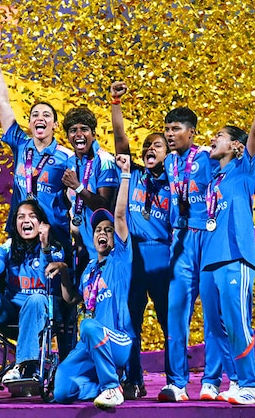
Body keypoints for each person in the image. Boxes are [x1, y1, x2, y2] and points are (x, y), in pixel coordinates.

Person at [200, 65, 255, 405]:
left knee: (237, 321)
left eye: (217, 136)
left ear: (233, 144)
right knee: (219, 329)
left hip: (236, 257)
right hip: (211, 261)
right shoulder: (213, 178)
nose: (210, 140)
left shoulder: (243, 170)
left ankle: (251, 384)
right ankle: (235, 382)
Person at [158, 107, 231, 402]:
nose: (169, 134)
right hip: (181, 241)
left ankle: (211, 381)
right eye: (167, 129)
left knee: (213, 315)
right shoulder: (168, 163)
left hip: (209, 238)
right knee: (175, 313)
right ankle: (177, 383)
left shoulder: (208, 157)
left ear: (192, 132)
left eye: (175, 128)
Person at [51, 154, 134, 409]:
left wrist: (126, 176)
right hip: (91, 342)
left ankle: (112, 388)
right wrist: (65, 272)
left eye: (108, 231)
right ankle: (105, 385)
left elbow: (119, 216)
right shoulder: (88, 269)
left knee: (88, 326)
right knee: (62, 390)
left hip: (118, 340)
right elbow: (73, 299)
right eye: (98, 230)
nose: (103, 233)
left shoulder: (120, 259)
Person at [109, 81, 172, 399]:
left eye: (157, 145)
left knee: (168, 322)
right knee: (129, 321)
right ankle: (133, 379)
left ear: (168, 154)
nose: (150, 149)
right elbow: (120, 139)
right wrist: (116, 101)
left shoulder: (176, 183)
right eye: (147, 145)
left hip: (163, 258)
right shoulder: (132, 174)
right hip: (132, 258)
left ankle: (175, 380)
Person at [0, 199, 64, 387]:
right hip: (10, 312)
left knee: (36, 298)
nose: (26, 220)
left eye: (32, 216)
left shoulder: (54, 249)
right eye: (21, 217)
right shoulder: (8, 246)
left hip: (39, 312)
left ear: (41, 223)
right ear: (15, 223)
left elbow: (47, 278)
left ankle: (27, 365)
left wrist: (45, 247)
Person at [0, 29, 73, 249]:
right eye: (35, 115)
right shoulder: (21, 144)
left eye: (46, 115)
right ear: (30, 124)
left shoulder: (67, 157)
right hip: (20, 234)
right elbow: (2, 102)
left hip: (54, 234)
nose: (40, 118)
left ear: (54, 125)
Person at [61, 107, 119, 267]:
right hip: (82, 246)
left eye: (84, 129)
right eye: (73, 130)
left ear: (93, 134)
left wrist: (78, 187)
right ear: (68, 136)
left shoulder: (105, 161)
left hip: (105, 248)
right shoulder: (70, 162)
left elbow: (104, 206)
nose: (78, 134)